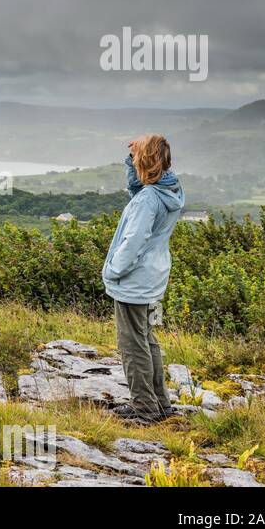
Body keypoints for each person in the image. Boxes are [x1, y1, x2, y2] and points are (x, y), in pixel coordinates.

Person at [102, 134, 185, 423]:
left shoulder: (148, 200)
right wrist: (133, 160)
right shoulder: (169, 188)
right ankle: (160, 403)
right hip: (153, 279)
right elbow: (139, 186)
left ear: (145, 160)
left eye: (137, 157)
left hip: (134, 283)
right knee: (148, 339)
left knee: (132, 345)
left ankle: (144, 408)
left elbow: (134, 241)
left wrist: (114, 270)